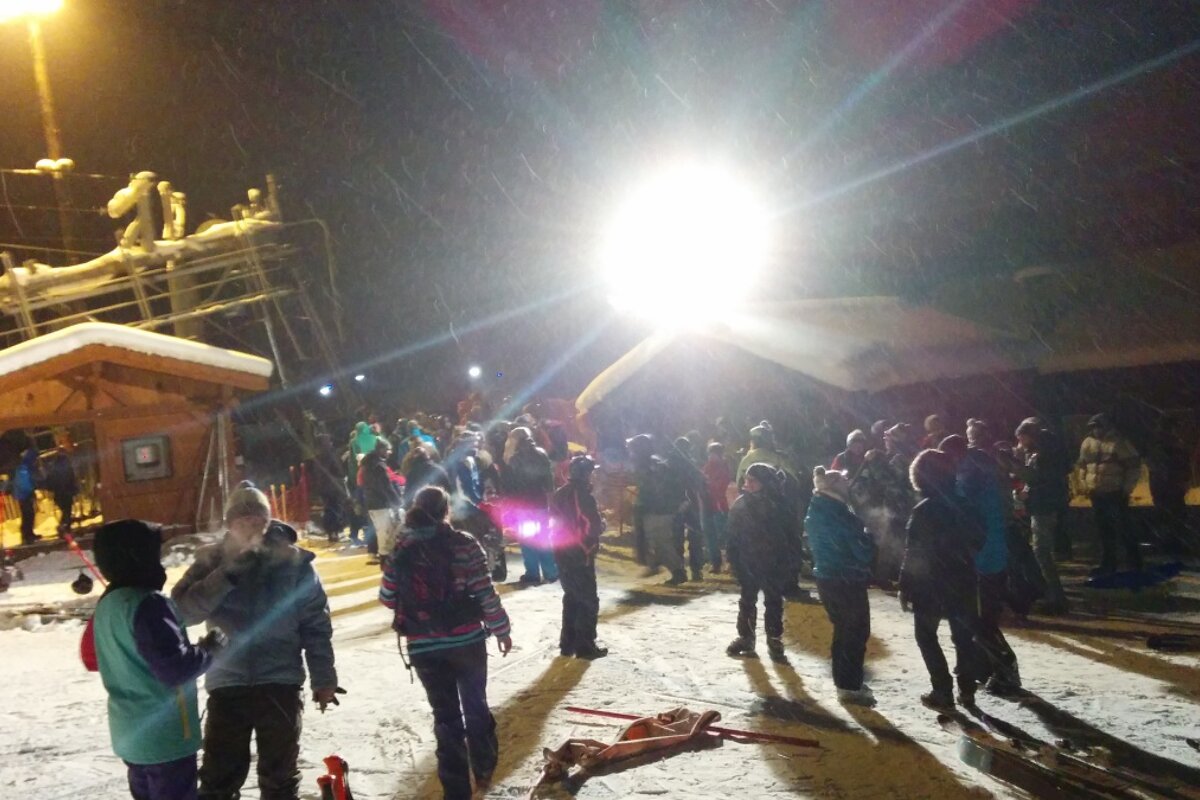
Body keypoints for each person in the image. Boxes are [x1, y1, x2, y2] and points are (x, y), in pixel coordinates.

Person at [172, 483, 340, 800]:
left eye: (257, 520)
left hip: (280, 681)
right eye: (242, 521)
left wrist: (324, 678)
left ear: (268, 522)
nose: (250, 528)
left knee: (280, 779)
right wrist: (228, 574)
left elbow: (316, 625)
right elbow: (181, 612)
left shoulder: (294, 563)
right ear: (229, 523)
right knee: (218, 780)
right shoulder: (212, 562)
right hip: (227, 683)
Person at [380, 486, 513, 800]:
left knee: (446, 717)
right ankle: (483, 769)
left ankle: (456, 791)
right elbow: (484, 592)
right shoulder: (464, 544)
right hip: (466, 640)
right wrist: (501, 628)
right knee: (475, 705)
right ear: (445, 512)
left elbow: (387, 597)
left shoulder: (402, 547)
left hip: (424, 645)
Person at [86, 519, 225, 800]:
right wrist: (209, 649)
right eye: (153, 553)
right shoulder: (149, 603)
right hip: (164, 738)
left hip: (131, 733)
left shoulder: (109, 602)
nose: (159, 561)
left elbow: (92, 656)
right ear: (138, 556)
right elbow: (174, 669)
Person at [900, 449, 986, 710]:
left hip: (931, 582)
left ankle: (942, 688)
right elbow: (979, 540)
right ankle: (967, 690)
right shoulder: (966, 505)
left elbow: (913, 552)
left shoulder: (923, 511)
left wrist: (906, 586)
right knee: (963, 637)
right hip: (962, 578)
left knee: (925, 634)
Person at [941, 434, 1021, 695]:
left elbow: (970, 519)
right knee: (983, 618)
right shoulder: (984, 471)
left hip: (982, 560)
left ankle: (1005, 671)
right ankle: (990, 669)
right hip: (993, 554)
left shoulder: (969, 478)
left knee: (981, 621)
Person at [806, 467, 876, 706]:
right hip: (845, 579)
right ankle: (850, 687)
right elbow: (862, 551)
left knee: (844, 631)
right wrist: (868, 537)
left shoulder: (818, 509)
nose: (849, 484)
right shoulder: (840, 515)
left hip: (828, 578)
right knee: (855, 633)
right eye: (844, 481)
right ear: (834, 486)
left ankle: (845, 681)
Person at [726, 463, 793, 660]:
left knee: (773, 601)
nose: (748, 484)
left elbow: (790, 534)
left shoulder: (779, 504)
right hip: (748, 560)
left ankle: (774, 637)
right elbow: (732, 535)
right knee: (747, 600)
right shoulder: (741, 504)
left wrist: (789, 560)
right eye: (747, 480)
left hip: (773, 561)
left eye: (752, 480)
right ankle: (746, 636)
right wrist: (732, 559)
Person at [551, 455, 607, 659]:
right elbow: (590, 525)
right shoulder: (581, 494)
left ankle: (568, 643)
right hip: (579, 553)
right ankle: (585, 645)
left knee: (572, 597)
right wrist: (599, 528)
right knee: (587, 600)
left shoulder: (560, 493)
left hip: (562, 551)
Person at [1013, 418, 1071, 613]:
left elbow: (1035, 478)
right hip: (1046, 503)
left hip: (1043, 506)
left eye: (1022, 438)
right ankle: (1051, 594)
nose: (1020, 443)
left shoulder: (1042, 454)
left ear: (1030, 436)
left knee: (1041, 552)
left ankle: (1056, 598)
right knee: (1041, 552)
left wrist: (1015, 466)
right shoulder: (1048, 450)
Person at [1076, 414, 1143, 574]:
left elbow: (1133, 467)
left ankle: (1133, 561)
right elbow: (1082, 466)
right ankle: (1108, 563)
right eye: (1093, 427)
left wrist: (1126, 489)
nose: (1096, 430)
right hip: (1097, 493)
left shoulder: (1119, 443)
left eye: (1099, 426)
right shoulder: (1088, 443)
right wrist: (1085, 484)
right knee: (1104, 530)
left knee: (1124, 528)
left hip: (1116, 493)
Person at [627, 434, 688, 585]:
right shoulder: (652, 463)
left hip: (659, 510)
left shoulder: (651, 466)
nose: (631, 453)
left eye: (633, 449)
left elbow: (655, 490)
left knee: (661, 542)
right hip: (656, 509)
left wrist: (644, 504)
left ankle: (678, 571)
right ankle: (654, 564)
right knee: (653, 540)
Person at [502, 427, 558, 584]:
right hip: (540, 503)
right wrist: (551, 501)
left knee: (527, 540)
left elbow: (510, 486)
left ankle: (532, 573)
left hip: (524, 506)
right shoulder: (541, 454)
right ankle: (551, 572)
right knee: (543, 538)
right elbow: (549, 482)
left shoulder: (514, 459)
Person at [1146, 416, 1194, 560]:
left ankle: (1168, 545)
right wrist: (1181, 480)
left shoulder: (1161, 445)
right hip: (1169, 487)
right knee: (1172, 515)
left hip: (1166, 487)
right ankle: (1171, 546)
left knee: (1168, 516)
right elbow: (1169, 467)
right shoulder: (1169, 446)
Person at [363, 439, 405, 564]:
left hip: (371, 502)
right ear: (381, 450)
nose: (389, 453)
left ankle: (383, 556)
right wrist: (397, 502)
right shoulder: (379, 467)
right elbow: (386, 486)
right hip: (380, 503)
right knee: (385, 532)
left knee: (381, 531)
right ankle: (385, 558)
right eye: (387, 450)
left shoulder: (368, 464)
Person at [701, 442, 733, 572]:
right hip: (707, 505)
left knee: (724, 535)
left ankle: (731, 562)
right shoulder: (706, 468)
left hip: (719, 506)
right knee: (710, 536)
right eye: (710, 453)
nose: (712, 456)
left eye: (714, 453)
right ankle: (716, 563)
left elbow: (720, 486)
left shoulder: (723, 467)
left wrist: (708, 485)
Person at [43, 446, 78, 536]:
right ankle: (64, 528)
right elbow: (71, 479)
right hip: (66, 492)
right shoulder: (67, 466)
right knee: (67, 511)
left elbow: (49, 481)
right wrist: (74, 489)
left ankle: (65, 528)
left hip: (58, 493)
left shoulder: (53, 467)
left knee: (65, 511)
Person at [14, 447, 41, 545]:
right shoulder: (24, 468)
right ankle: (26, 535)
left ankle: (29, 533)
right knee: (28, 515)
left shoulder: (26, 467)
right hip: (24, 495)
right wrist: (31, 491)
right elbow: (25, 483)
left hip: (25, 494)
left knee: (29, 514)